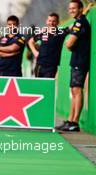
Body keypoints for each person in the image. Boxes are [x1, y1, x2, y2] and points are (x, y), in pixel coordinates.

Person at [56, 0, 91, 132]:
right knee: (74, 91)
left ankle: (74, 122)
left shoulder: (80, 22)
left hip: (80, 61)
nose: (71, 10)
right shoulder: (78, 21)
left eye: (74, 8)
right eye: (70, 8)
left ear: (81, 9)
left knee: (77, 91)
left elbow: (69, 43)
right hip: (77, 61)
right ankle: (70, 120)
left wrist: (68, 45)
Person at [28, 13, 69, 78]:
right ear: (47, 21)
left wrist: (83, 14)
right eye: (49, 21)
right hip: (39, 65)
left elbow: (72, 26)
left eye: (54, 21)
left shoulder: (61, 32)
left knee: (47, 86)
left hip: (51, 67)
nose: (51, 23)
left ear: (58, 22)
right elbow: (30, 41)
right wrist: (35, 52)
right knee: (38, 86)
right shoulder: (42, 32)